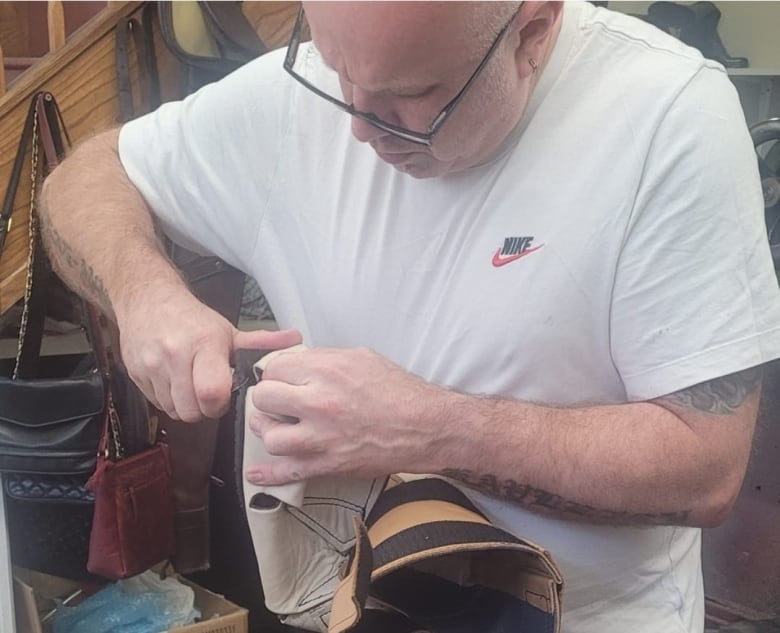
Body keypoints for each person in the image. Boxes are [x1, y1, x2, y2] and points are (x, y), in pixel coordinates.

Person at [38, 2, 780, 632]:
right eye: (336, 70)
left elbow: (707, 467)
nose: (359, 126)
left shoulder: (667, 120)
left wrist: (428, 426)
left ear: (533, 31)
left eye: (413, 93)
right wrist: (146, 293)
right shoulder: (314, 95)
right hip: (355, 601)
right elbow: (85, 179)